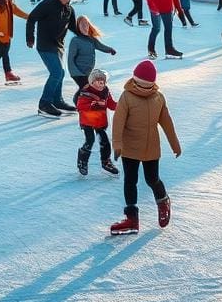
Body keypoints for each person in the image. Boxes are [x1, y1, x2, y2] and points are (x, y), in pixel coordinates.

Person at [110, 60, 181, 235]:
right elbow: (118, 122)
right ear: (134, 80)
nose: (143, 88)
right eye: (140, 84)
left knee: (152, 179)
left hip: (151, 147)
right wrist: (117, 144)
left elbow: (166, 122)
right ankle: (132, 219)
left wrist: (174, 143)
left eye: (147, 85)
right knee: (130, 180)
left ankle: (163, 201)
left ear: (152, 84)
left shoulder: (158, 97)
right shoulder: (126, 97)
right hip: (130, 147)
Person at [26, 0, 80, 118]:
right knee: (57, 72)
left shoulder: (69, 9)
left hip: (58, 45)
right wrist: (30, 37)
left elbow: (74, 27)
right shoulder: (48, 4)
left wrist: (87, 36)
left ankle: (57, 101)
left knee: (60, 74)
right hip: (45, 45)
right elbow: (32, 18)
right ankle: (44, 103)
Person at [76, 68, 119, 176]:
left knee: (105, 141)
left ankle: (106, 162)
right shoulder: (86, 93)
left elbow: (111, 104)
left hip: (100, 121)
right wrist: (91, 105)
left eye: (103, 82)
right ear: (91, 82)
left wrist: (121, 106)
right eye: (98, 82)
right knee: (90, 140)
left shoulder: (105, 92)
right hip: (88, 121)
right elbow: (80, 106)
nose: (101, 84)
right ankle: (82, 161)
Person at [67, 15, 116, 103]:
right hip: (78, 72)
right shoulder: (75, 41)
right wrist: (76, 73)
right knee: (87, 87)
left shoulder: (91, 39)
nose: (85, 27)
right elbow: (70, 59)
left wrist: (110, 50)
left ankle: (81, 103)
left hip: (88, 72)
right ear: (78, 27)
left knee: (86, 88)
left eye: (86, 24)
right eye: (82, 25)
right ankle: (79, 104)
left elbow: (100, 46)